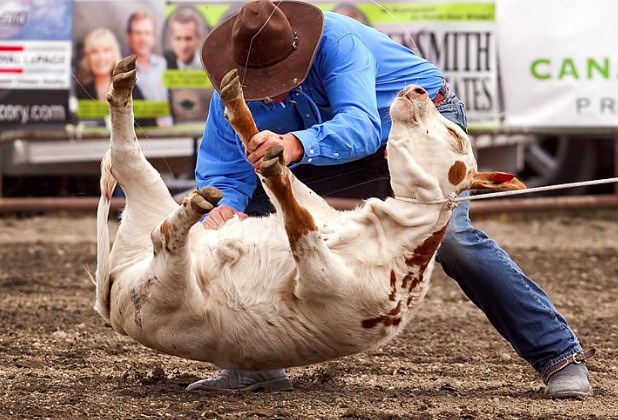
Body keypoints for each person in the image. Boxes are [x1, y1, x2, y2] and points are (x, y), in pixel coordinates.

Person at [190, 0, 594, 398]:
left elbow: (362, 124)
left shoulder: (339, 40)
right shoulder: (228, 88)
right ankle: (251, 363)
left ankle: (558, 355)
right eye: (262, 85)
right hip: (327, 143)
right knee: (247, 219)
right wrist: (227, 205)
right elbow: (225, 166)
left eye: (279, 80)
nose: (272, 96)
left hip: (420, 121)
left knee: (453, 240)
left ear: (299, 54)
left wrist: (295, 143)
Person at [126, 10, 172, 127]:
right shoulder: (124, 70)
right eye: (138, 33)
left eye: (147, 33)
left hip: (170, 131)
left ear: (153, 37)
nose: (143, 39)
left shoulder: (164, 64)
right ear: (129, 36)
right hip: (141, 132)